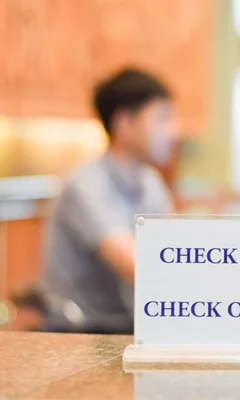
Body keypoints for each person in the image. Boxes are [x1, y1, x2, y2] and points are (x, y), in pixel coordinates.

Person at [41, 68, 179, 333]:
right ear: (124, 123)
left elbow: (172, 252)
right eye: (162, 118)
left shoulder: (151, 182)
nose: (173, 130)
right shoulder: (85, 185)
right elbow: (139, 266)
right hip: (80, 336)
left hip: (128, 329)